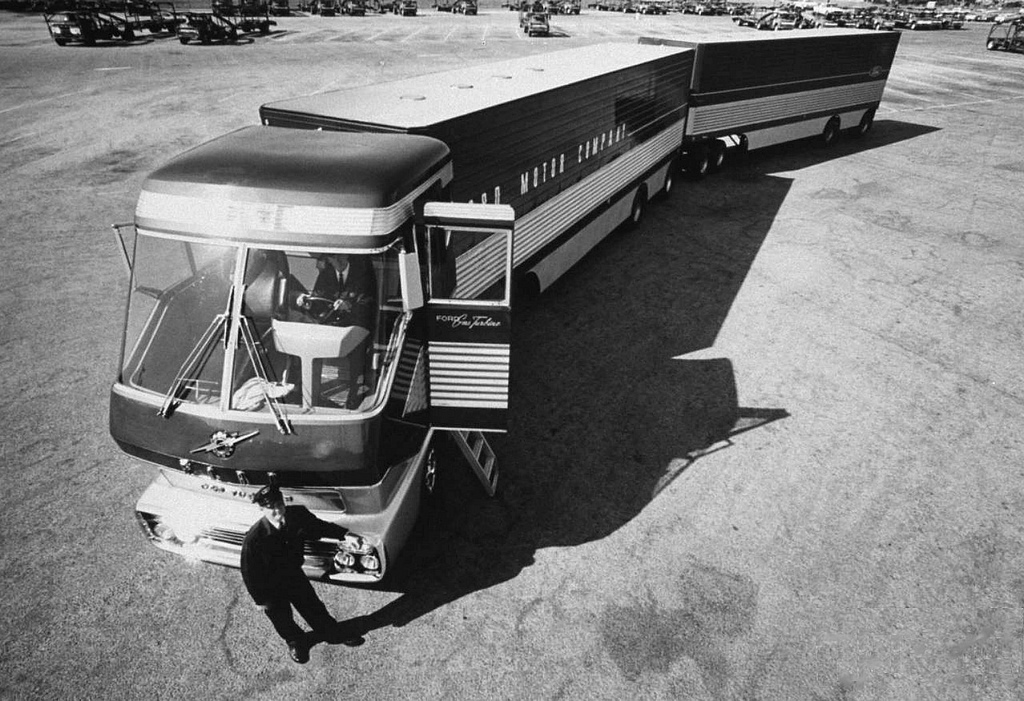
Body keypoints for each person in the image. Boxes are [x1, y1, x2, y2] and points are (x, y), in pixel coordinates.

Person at [240, 484, 363, 663]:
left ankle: (331, 634)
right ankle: (296, 641)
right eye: (271, 507)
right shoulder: (255, 538)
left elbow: (319, 527)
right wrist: (260, 600)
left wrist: (344, 534)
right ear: (261, 509)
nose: (277, 510)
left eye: (279, 504)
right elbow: (249, 571)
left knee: (313, 606)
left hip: (293, 575)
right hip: (271, 585)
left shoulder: (297, 515)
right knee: (281, 618)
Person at [298, 253, 377, 409]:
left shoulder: (363, 275)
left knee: (357, 349)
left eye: (340, 257)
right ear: (329, 260)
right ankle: (310, 392)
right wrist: (305, 301)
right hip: (331, 325)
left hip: (355, 324)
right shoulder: (325, 275)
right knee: (310, 344)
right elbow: (317, 298)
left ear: (347, 255)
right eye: (334, 258)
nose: (338, 261)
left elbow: (368, 303)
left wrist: (348, 305)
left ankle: (354, 392)